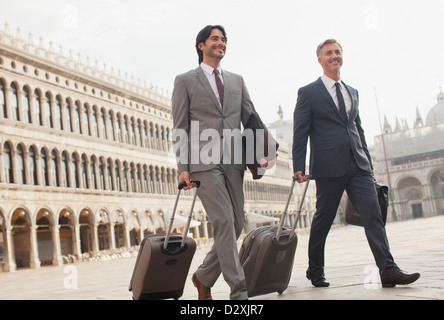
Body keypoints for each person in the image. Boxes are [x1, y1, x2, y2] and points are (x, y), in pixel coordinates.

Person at [292, 39, 420, 288]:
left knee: (373, 215)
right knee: (323, 220)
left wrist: (368, 161)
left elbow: (357, 127)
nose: (334, 56)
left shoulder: (352, 91)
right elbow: (300, 132)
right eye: (329, 53)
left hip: (358, 166)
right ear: (320, 59)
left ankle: (388, 270)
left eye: (337, 52)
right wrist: (299, 165)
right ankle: (315, 269)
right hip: (328, 167)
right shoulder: (308, 92)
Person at [172, 25, 273, 300]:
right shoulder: (185, 80)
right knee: (224, 223)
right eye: (215, 39)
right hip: (203, 163)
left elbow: (251, 119)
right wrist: (183, 168)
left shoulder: (237, 80)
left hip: (234, 160)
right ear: (201, 46)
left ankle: (203, 276)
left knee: (237, 221)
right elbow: (179, 127)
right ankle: (239, 291)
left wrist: (262, 152)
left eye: (224, 40)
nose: (221, 43)